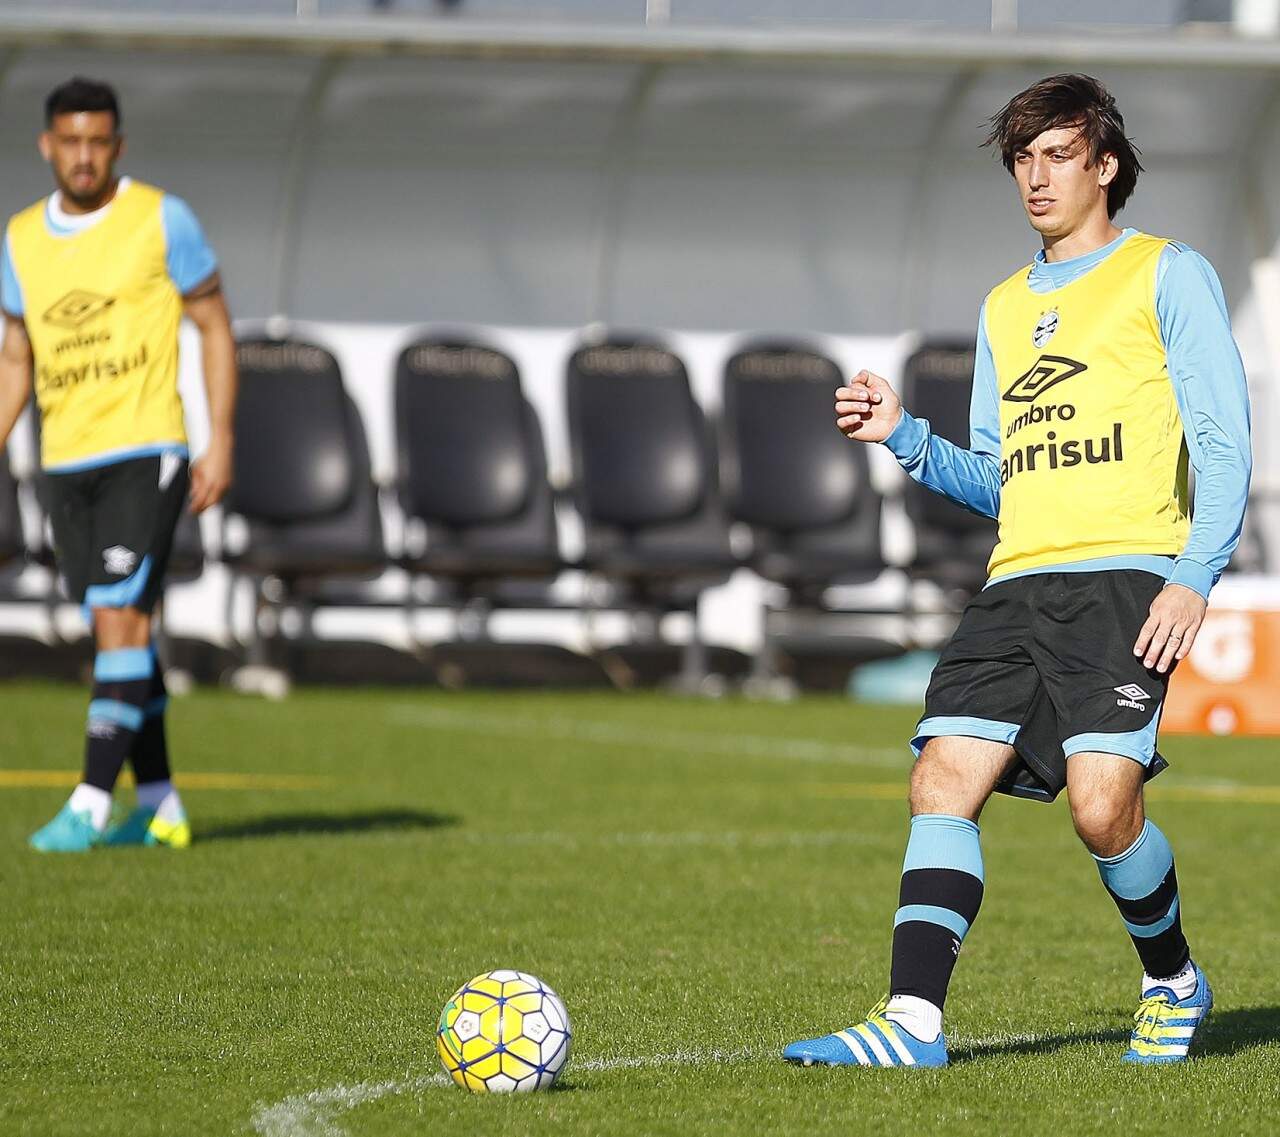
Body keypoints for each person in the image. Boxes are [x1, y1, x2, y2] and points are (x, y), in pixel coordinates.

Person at [784, 74, 1251, 1068]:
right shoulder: (1002, 306)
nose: (1033, 177)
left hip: (1126, 579)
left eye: (1054, 155)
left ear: (1103, 166)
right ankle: (910, 1024)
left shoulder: (1167, 274)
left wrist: (1192, 572)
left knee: (1099, 808)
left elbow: (1220, 442)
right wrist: (906, 437)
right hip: (1014, 582)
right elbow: (1001, 479)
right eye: (1019, 159)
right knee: (940, 778)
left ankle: (1170, 979)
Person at [0, 77, 238, 852]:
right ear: (47, 146)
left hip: (146, 449)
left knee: (119, 618)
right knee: (120, 630)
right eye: (70, 141)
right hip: (64, 460)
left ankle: (92, 801)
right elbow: (15, 358)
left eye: (98, 141)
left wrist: (220, 438)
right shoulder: (20, 240)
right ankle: (162, 803)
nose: (83, 156)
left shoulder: (162, 219)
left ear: (119, 145)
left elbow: (213, 326)